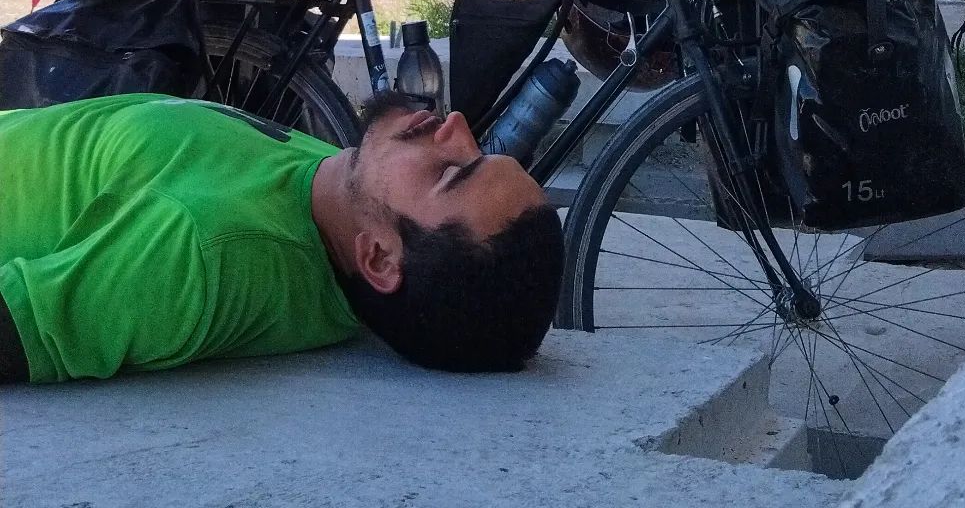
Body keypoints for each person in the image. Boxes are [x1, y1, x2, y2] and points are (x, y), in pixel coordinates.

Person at [0, 91, 564, 384]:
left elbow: (21, 328)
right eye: (480, 151)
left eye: (450, 172)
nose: (456, 126)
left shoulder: (208, 252)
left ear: (378, 257)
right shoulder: (341, 196)